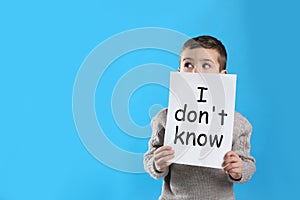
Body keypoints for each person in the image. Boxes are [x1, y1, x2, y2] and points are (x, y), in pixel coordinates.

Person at [144, 35, 256, 200]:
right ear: (179, 71)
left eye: (206, 65)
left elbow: (248, 163)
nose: (196, 71)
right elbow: (150, 157)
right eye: (188, 64)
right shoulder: (165, 118)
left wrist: (239, 169)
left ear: (222, 75)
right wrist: (157, 164)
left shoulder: (237, 123)